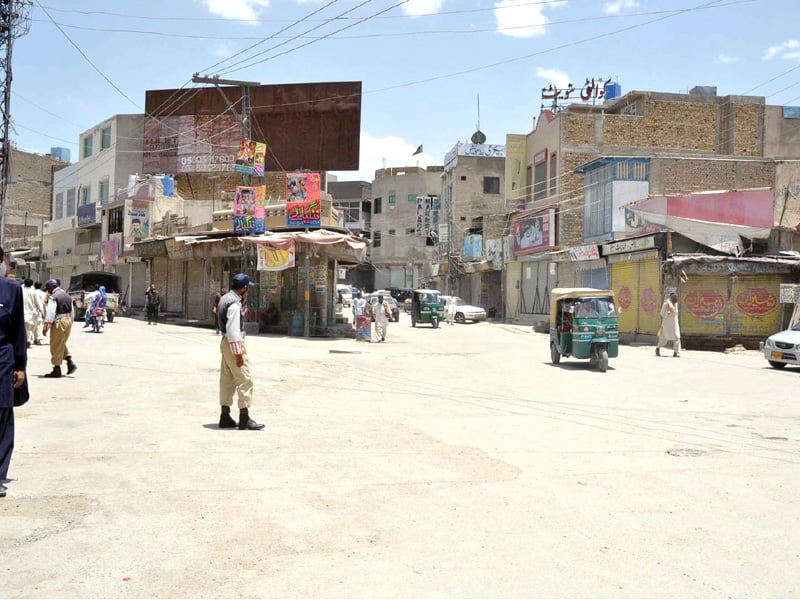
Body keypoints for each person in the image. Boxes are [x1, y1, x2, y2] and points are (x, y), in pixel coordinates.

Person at [217, 273, 264, 430]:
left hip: (225, 343)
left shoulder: (225, 299)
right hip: (233, 344)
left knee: (227, 378)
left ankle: (225, 415)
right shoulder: (234, 305)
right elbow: (233, 331)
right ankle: (244, 417)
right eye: (247, 288)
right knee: (245, 379)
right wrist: (238, 355)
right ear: (243, 288)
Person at [0, 246, 27, 498]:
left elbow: (19, 330)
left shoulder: (11, 290)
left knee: (2, 417)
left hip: (3, 359)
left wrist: (21, 366)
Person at [43, 279, 77, 378]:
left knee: (55, 344)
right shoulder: (67, 295)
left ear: (51, 287)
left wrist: (46, 327)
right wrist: (70, 322)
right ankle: (70, 362)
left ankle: (56, 369)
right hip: (68, 320)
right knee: (60, 342)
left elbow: (50, 313)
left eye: (48, 288)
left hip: (59, 321)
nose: (47, 291)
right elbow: (72, 312)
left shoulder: (54, 297)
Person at [656, 292, 681, 358]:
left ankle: (676, 352)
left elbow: (675, 314)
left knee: (677, 338)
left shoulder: (676, 304)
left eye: (676, 297)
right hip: (667, 324)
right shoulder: (665, 304)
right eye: (674, 297)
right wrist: (668, 313)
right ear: (671, 297)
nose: (676, 298)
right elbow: (662, 314)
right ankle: (658, 348)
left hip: (675, 325)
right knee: (663, 339)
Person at [22, 279, 41, 348]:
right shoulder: (34, 292)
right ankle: (28, 340)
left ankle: (27, 340)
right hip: (32, 314)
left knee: (25, 328)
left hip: (22, 313)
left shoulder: (21, 291)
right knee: (30, 328)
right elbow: (38, 303)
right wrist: (42, 312)